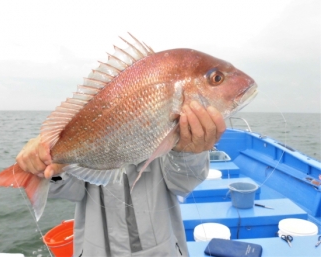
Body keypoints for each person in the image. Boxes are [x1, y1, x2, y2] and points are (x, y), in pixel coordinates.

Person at [16, 101, 226, 257]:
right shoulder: (92, 132)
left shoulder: (166, 136)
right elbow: (72, 189)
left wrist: (188, 151)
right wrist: (46, 166)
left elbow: (183, 183)